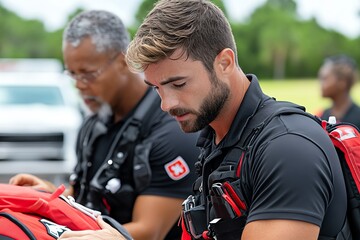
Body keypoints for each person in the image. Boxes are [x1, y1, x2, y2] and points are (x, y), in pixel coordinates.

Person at [124, 0, 349, 239]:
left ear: (225, 63)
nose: (166, 104)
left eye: (178, 84)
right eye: (156, 88)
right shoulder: (219, 137)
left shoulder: (288, 147)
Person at [9, 10, 200, 240]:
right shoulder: (94, 123)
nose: (79, 85)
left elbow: (150, 231)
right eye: (72, 74)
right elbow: (91, 197)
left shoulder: (170, 130)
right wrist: (53, 195)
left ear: (122, 61)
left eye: (88, 74)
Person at [317, 54, 360, 129]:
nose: (320, 84)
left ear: (342, 82)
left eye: (325, 78)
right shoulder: (320, 116)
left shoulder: (357, 119)